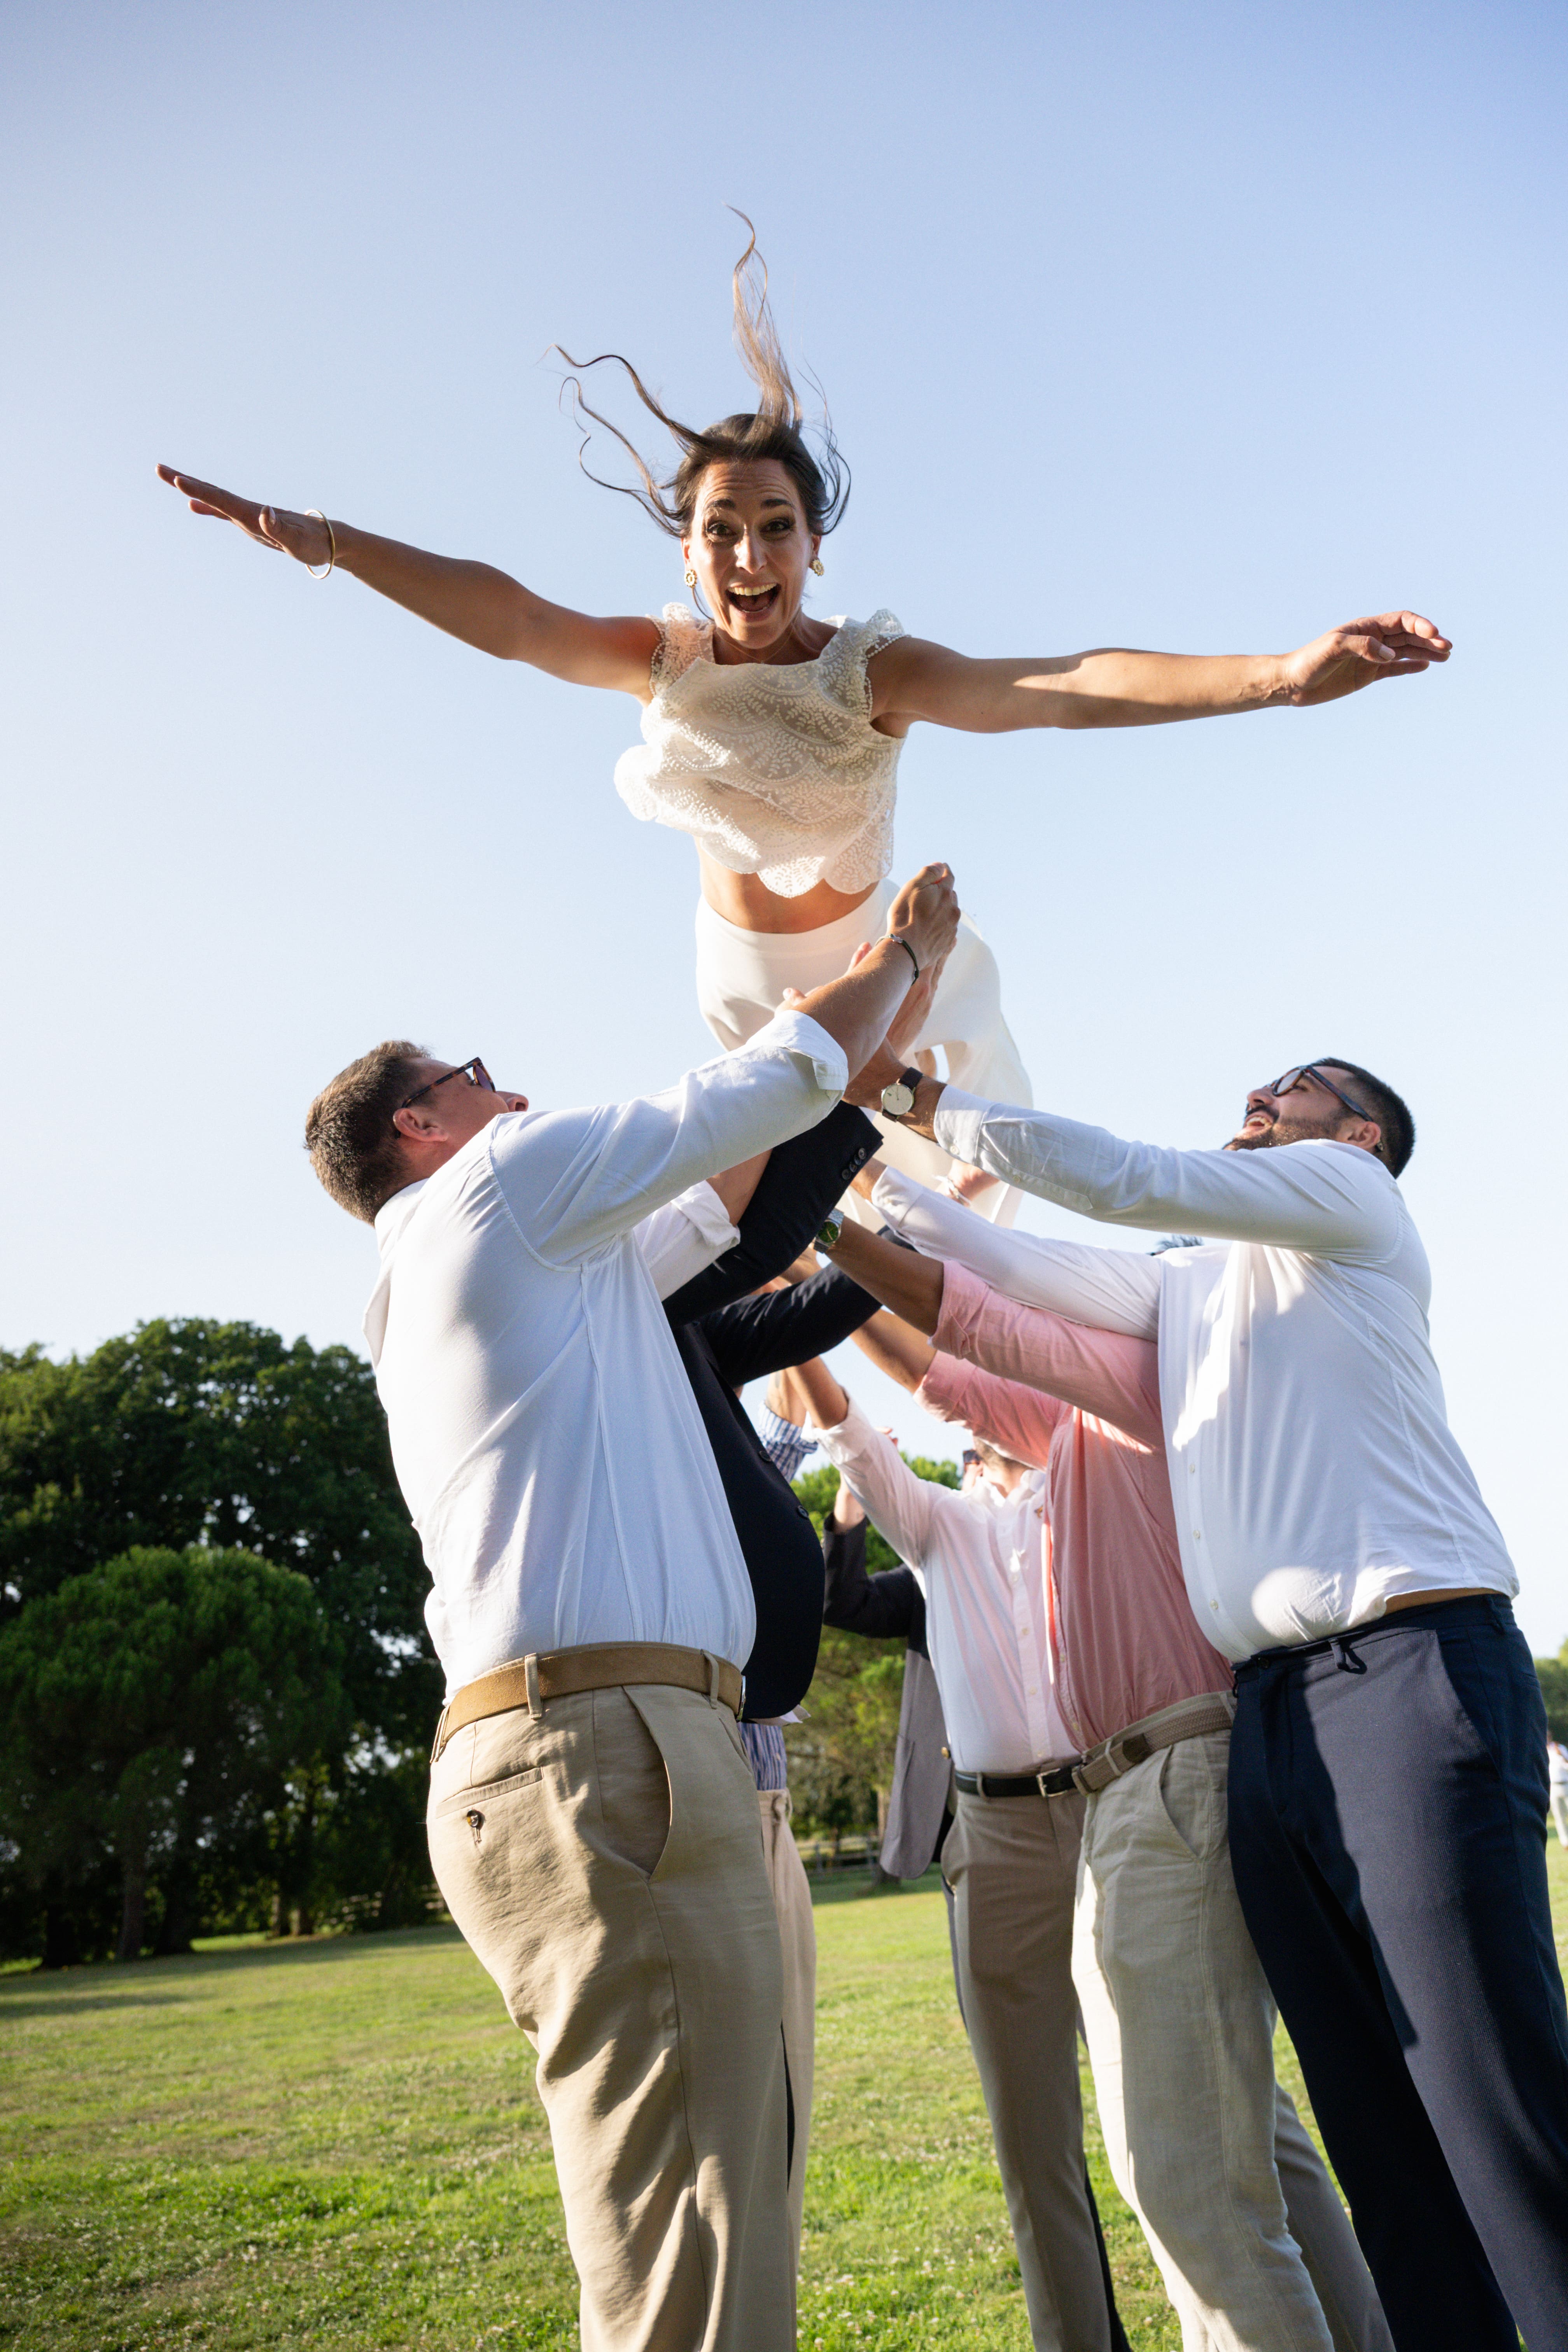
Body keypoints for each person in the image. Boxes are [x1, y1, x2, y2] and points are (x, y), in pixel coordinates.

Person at [158, 226, 1449, 1211]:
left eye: (775, 526)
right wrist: (326, 541)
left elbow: (1064, 685)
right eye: (721, 529)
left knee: (954, 1187)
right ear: (689, 554)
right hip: (741, 990)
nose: (748, 555)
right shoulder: (658, 656)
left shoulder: (869, 674)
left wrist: (1285, 672)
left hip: (878, 966)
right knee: (801, 1205)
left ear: (812, 546)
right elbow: (512, 616)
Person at [301, 863, 959, 2352]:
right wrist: (904, 947)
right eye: (479, 1077)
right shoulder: (491, 1187)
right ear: (419, 1125)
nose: (514, 1088)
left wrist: (871, 1079)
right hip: (611, 1746)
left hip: (606, 1744)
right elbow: (760, 1079)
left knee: (712, 2209)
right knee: (691, 2242)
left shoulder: (540, 1262)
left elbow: (741, 1203)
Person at [841, 1053, 1568, 2352]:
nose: (1259, 1092)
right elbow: (998, 1274)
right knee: (1374, 2128)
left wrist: (909, 1091)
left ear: (1353, 1133)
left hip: (1405, 1670)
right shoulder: (1190, 1287)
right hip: (1274, 1713)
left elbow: (1126, 1178)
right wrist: (836, 1172)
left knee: (1485, 2100)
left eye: (1295, 1085)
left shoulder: (1349, 1197)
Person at [825, 1209, 1392, 2352]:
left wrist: (818, 1232)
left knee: (1189, 2176)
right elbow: (950, 1371)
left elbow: (960, 1341)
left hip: (1166, 1775)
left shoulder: (1149, 1384)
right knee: (1203, 2155)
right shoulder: (1093, 1423)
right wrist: (824, 1266)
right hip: (1143, 1787)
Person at [788, 1353, 1129, 2352]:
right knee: (1035, 2145)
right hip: (995, 1833)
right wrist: (809, 1323)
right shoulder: (942, 1537)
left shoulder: (1089, 1502)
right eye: (976, 1447)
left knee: (1203, 2113)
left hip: (1118, 1814)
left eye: (1000, 1441)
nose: (989, 1462)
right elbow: (851, 1490)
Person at [653, 1110, 884, 2276]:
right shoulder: (623, 1307)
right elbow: (758, 1239)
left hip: (756, 1755)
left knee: (776, 2104)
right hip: (685, 1738)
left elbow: (820, 1299)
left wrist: (878, 1210)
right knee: (727, 2125)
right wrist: (849, 1095)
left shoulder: (688, 1336)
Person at [1549, 1735, 1568, 1848]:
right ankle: (1565, 1842)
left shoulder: (1560, 1748)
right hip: (1553, 1787)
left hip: (1565, 1784)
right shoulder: (1543, 1750)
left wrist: (1560, 1755)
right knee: (1559, 1816)